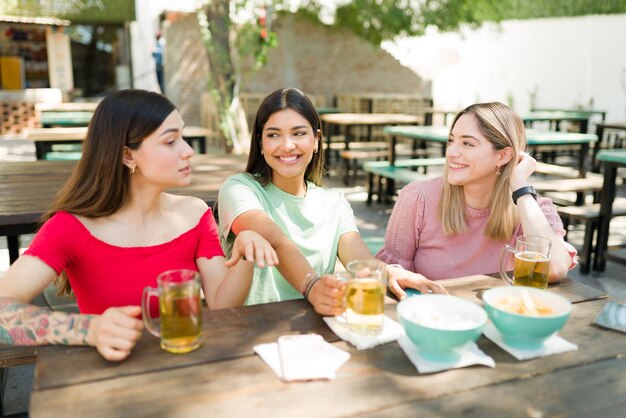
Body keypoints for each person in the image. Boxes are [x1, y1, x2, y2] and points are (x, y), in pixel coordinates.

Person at [0, 89, 277, 361]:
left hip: (185, 367)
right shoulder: (70, 227)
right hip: (109, 379)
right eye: (170, 141)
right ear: (128, 155)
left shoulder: (195, 214)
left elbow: (222, 304)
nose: (189, 151)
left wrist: (245, 252)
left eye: (183, 137)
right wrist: (89, 330)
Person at [218, 88, 446, 316]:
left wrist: (390, 273)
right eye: (274, 135)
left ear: (316, 140)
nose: (287, 145)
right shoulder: (240, 187)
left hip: (316, 326)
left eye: (298, 133)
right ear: (260, 143)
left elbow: (359, 260)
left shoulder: (334, 202)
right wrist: (311, 285)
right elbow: (273, 238)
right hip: (252, 329)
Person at [376, 102, 577, 282]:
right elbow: (391, 275)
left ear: (503, 156)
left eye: (467, 143)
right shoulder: (418, 197)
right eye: (451, 140)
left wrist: (520, 187)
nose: (451, 152)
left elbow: (555, 269)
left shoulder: (533, 208)